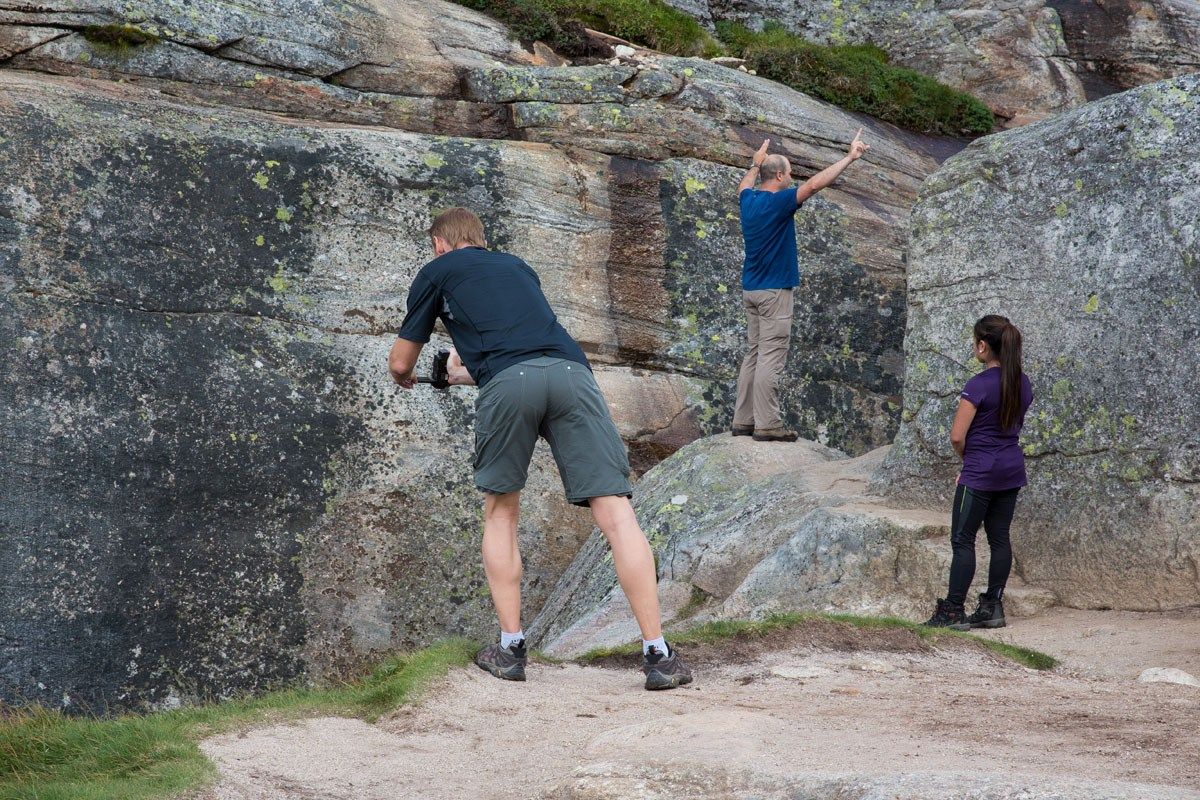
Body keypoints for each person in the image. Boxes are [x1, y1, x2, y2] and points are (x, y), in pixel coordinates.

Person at [388, 207, 692, 690]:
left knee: (501, 512)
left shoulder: (437, 270)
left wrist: (405, 375)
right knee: (616, 514)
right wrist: (460, 372)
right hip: (573, 375)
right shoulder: (517, 267)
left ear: (440, 243)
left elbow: (402, 359)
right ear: (481, 240)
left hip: (511, 383)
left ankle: (510, 648)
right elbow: (524, 348)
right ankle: (658, 653)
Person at [732, 129, 870, 442]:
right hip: (774, 291)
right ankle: (767, 424)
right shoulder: (778, 203)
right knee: (770, 356)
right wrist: (849, 157)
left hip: (751, 288)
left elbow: (743, 185)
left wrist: (754, 164)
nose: (793, 178)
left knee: (753, 354)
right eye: (790, 174)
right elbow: (814, 185)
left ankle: (743, 420)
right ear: (779, 175)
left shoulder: (749, 201)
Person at [924, 315, 1034, 630]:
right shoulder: (1022, 383)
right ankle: (992, 606)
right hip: (1011, 469)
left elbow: (958, 436)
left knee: (963, 539)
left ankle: (953, 611)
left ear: (982, 346)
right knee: (999, 537)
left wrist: (969, 462)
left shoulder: (978, 384)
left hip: (980, 472)